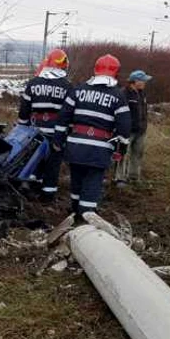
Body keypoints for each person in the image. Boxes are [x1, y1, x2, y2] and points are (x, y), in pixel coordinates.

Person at [53, 54, 131, 219]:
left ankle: (74, 211)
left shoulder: (78, 90)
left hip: (75, 145)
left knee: (77, 179)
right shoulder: (118, 96)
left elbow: (63, 117)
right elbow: (124, 127)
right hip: (100, 148)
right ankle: (85, 217)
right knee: (92, 182)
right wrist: (121, 148)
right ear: (116, 72)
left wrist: (58, 140)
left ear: (95, 70)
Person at [18, 48, 72, 202]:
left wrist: (23, 128)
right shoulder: (67, 86)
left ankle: (29, 187)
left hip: (35, 131)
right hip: (57, 131)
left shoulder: (33, 83)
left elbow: (24, 111)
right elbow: (70, 112)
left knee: (33, 160)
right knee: (53, 165)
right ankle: (48, 196)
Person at [115, 69, 152, 186]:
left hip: (141, 130)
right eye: (143, 80)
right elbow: (121, 113)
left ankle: (134, 177)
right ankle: (119, 178)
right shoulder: (124, 93)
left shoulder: (142, 94)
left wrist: (144, 126)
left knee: (137, 153)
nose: (145, 82)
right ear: (135, 81)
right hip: (127, 131)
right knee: (122, 154)